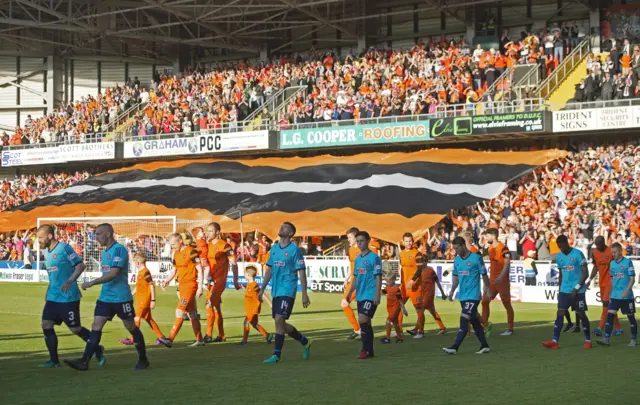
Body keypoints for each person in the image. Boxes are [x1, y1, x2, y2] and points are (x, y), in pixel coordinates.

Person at [65, 223, 149, 371]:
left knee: (130, 327)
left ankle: (143, 359)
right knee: (96, 326)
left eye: (99, 234)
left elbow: (114, 273)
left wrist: (92, 282)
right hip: (105, 298)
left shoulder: (119, 250)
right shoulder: (104, 253)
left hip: (121, 298)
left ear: (108, 234)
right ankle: (84, 361)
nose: (96, 237)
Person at [37, 225, 105, 368]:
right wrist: (48, 292)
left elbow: (80, 266)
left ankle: (96, 348)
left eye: (40, 237)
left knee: (75, 329)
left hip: (68, 297)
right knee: (46, 324)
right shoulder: (47, 253)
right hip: (53, 297)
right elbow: (53, 277)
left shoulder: (64, 249)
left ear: (49, 236)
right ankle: (54, 361)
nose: (39, 241)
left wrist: (70, 280)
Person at [260, 222, 312, 363]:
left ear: (290, 234)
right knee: (280, 323)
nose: (281, 228)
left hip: (288, 289)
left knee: (279, 319)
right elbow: (269, 270)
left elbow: (301, 271)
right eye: (281, 226)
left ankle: (276, 355)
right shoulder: (275, 249)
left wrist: (304, 293)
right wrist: (262, 288)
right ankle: (304, 341)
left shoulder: (295, 250)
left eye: (285, 227)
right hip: (276, 290)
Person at [442, 236, 491, 355]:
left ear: (464, 245)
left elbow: (484, 275)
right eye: (454, 249)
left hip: (473, 296)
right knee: (475, 322)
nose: (456, 251)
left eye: (457, 248)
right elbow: (456, 277)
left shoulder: (476, 258)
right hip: (463, 296)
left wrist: (487, 290)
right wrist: (452, 291)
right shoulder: (457, 260)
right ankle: (485, 345)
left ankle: (455, 347)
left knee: (464, 319)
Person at [542, 235, 592, 350]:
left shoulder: (578, 254)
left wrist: (576, 288)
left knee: (581, 314)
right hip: (565, 290)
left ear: (566, 242)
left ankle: (588, 340)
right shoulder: (559, 257)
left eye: (562, 245)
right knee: (560, 312)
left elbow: (586, 273)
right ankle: (555, 341)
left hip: (578, 291)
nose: (560, 248)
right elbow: (561, 275)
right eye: (558, 246)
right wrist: (559, 291)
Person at [162, 233, 205, 347]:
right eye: (171, 245)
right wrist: (167, 280)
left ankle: (170, 339)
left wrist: (200, 287)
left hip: (190, 286)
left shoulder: (191, 251)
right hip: (181, 286)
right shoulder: (175, 254)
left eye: (174, 244)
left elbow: (200, 270)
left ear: (180, 241)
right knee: (192, 314)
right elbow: (174, 271)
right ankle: (200, 340)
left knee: (179, 311)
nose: (172, 247)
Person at [119, 252, 169, 347]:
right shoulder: (141, 272)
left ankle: (133, 339)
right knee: (148, 319)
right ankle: (162, 338)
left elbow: (151, 285)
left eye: (135, 263)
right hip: (141, 299)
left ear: (138, 263)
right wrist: (129, 295)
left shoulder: (145, 272)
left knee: (136, 318)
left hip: (144, 300)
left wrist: (153, 300)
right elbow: (138, 287)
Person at [345, 231, 383, 359]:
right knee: (366, 323)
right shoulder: (358, 259)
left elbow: (378, 277)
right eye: (358, 241)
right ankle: (370, 350)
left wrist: (377, 294)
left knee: (363, 319)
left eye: (362, 241)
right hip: (360, 294)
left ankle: (364, 350)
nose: (360, 243)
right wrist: (350, 292)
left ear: (368, 241)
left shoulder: (374, 258)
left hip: (371, 294)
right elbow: (355, 277)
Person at [596, 243, 637, 347]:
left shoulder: (628, 262)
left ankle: (633, 339)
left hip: (627, 296)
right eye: (612, 252)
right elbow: (612, 280)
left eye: (614, 252)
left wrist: (626, 291)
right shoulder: (612, 264)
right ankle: (606, 339)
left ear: (619, 251)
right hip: (615, 296)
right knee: (610, 315)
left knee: (631, 318)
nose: (613, 254)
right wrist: (610, 294)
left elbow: (632, 279)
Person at [205, 222, 240, 343]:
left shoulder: (225, 246)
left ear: (217, 232)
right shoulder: (207, 245)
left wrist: (236, 280)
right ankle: (221, 335)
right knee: (215, 308)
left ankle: (208, 335)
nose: (207, 233)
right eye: (207, 230)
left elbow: (234, 264)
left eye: (210, 231)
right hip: (210, 281)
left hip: (220, 280)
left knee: (209, 304)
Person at [482, 228, 515, 337]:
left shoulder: (503, 248)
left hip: (502, 282)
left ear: (493, 236)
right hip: (492, 282)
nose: (486, 238)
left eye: (487, 236)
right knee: (485, 301)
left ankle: (510, 329)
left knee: (507, 304)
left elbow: (507, 264)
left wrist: (501, 277)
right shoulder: (490, 248)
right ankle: (485, 326)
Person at [587, 236, 622, 336]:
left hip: (611, 282)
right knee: (609, 306)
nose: (598, 247)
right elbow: (595, 267)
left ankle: (600, 327)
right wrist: (589, 280)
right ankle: (618, 328)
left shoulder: (610, 251)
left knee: (606, 304)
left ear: (604, 243)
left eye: (600, 245)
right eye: (596, 245)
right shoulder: (595, 253)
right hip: (602, 283)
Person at [400, 233, 427, 338]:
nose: (408, 243)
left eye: (410, 241)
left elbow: (420, 269)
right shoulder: (401, 253)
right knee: (398, 306)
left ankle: (421, 331)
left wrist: (412, 280)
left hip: (415, 286)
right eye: (406, 241)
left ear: (413, 241)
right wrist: (401, 282)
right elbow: (402, 269)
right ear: (403, 242)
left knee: (419, 309)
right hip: (404, 286)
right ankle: (399, 330)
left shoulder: (417, 253)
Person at [240, 265, 273, 345]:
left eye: (245, 274)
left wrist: (270, 303)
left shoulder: (254, 285)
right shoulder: (249, 284)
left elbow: (262, 293)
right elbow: (250, 291)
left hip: (253, 308)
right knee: (254, 324)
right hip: (250, 308)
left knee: (246, 322)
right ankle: (267, 335)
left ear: (248, 275)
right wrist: (244, 286)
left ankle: (244, 341)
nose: (244, 275)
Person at [341, 227, 362, 340]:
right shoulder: (351, 249)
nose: (348, 239)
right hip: (353, 280)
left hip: (360, 280)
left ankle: (358, 329)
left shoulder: (362, 249)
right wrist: (346, 278)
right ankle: (358, 329)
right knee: (345, 304)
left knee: (347, 304)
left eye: (350, 237)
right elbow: (351, 266)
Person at [380, 272, 406, 344]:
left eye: (388, 281)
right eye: (386, 281)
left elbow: (400, 300)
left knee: (388, 321)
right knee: (395, 323)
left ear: (393, 280)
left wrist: (403, 309)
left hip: (395, 308)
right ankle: (400, 338)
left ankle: (387, 338)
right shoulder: (388, 287)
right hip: (390, 308)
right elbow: (383, 292)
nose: (387, 283)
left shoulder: (396, 289)